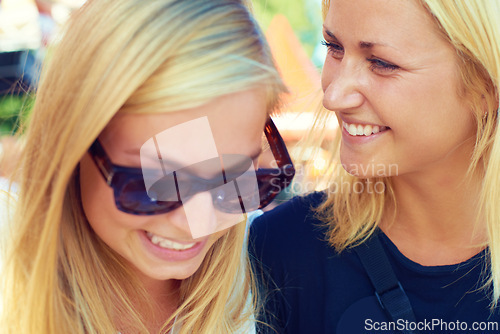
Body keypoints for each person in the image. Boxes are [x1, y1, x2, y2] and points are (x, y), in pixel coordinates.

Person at [0, 0, 294, 333]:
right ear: (72, 145)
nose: (195, 223)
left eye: (233, 181)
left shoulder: (274, 266)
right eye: (160, 182)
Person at [249, 0, 500, 333]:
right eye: (333, 47)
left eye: (381, 63)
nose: (333, 96)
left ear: (485, 86)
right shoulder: (279, 251)